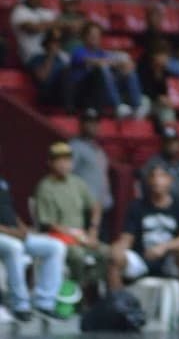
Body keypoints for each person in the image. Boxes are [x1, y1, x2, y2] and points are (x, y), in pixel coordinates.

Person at [116, 164, 179, 330]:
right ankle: (118, 310)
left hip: (169, 260)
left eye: (161, 176)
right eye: (153, 176)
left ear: (170, 180)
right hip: (143, 258)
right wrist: (119, 248)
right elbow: (127, 237)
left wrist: (164, 247)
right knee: (115, 257)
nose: (156, 181)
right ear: (147, 181)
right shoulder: (137, 205)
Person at [34, 141, 120, 294]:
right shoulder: (45, 187)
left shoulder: (77, 183)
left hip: (81, 236)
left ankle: (92, 289)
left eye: (67, 160)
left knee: (108, 252)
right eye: (59, 160)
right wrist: (76, 235)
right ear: (50, 163)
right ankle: (76, 293)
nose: (64, 164)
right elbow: (48, 223)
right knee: (78, 256)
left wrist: (93, 231)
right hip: (57, 237)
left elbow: (95, 206)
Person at [0, 150, 67, 321]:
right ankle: (20, 304)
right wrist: (11, 233)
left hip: (14, 233)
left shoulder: (3, 182)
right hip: (5, 235)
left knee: (55, 246)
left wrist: (23, 228)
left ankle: (45, 302)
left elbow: (9, 211)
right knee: (14, 247)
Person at [70, 21, 146, 117]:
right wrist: (113, 63)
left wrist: (123, 65)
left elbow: (112, 61)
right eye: (91, 35)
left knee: (129, 70)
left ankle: (136, 106)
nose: (95, 38)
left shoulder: (102, 53)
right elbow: (95, 62)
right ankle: (117, 105)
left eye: (97, 35)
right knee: (103, 68)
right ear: (84, 37)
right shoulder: (78, 51)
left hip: (103, 90)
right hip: (86, 91)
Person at [70, 108, 114, 240]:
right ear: (81, 124)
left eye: (95, 122)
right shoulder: (75, 146)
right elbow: (68, 174)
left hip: (102, 207)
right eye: (88, 122)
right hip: (84, 208)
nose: (92, 126)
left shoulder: (98, 149)